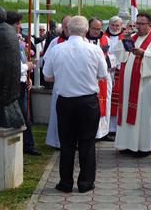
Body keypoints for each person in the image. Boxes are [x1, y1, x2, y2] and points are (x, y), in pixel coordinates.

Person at [43, 16, 108, 193]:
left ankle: (65, 182)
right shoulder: (94, 50)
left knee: (67, 143)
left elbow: (47, 76)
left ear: (68, 30)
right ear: (86, 30)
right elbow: (103, 74)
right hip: (88, 101)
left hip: (65, 101)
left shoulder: (57, 49)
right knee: (87, 143)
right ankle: (85, 183)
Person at [113, 12, 151, 157]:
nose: (138, 26)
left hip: (146, 85)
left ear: (150, 25)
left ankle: (143, 147)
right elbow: (119, 54)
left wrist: (144, 54)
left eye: (142, 23)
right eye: (137, 23)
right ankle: (125, 144)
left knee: (143, 115)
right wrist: (123, 42)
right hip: (129, 84)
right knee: (126, 111)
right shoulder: (132, 37)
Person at [6, 11, 40, 156]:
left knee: (25, 114)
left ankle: (27, 143)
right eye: (18, 23)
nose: (20, 26)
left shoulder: (16, 40)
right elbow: (12, 65)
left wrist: (27, 76)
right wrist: (27, 67)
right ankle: (25, 144)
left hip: (21, 80)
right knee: (21, 114)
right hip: (13, 83)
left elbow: (20, 60)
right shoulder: (8, 41)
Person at [0, 7, 24, 128]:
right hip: (13, 70)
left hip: (1, 67)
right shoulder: (11, 29)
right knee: (6, 93)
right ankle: (5, 118)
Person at [44, 15, 72, 148]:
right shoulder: (55, 42)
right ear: (62, 27)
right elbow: (47, 60)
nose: (67, 29)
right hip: (60, 84)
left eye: (70, 26)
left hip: (77, 86)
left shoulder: (85, 42)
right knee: (58, 113)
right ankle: (57, 141)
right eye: (65, 26)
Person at [86, 17, 115, 141]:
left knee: (106, 103)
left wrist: (106, 58)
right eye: (94, 29)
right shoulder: (84, 40)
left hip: (104, 77)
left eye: (99, 29)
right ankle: (91, 132)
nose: (97, 31)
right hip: (90, 77)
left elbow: (114, 56)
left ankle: (103, 132)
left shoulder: (105, 39)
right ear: (88, 27)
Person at [103, 15, 124, 134]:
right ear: (109, 25)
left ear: (121, 26)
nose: (115, 28)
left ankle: (116, 127)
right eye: (113, 25)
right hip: (107, 71)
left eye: (117, 26)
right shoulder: (103, 37)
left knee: (118, 99)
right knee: (106, 99)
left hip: (119, 72)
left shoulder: (125, 38)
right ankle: (106, 127)